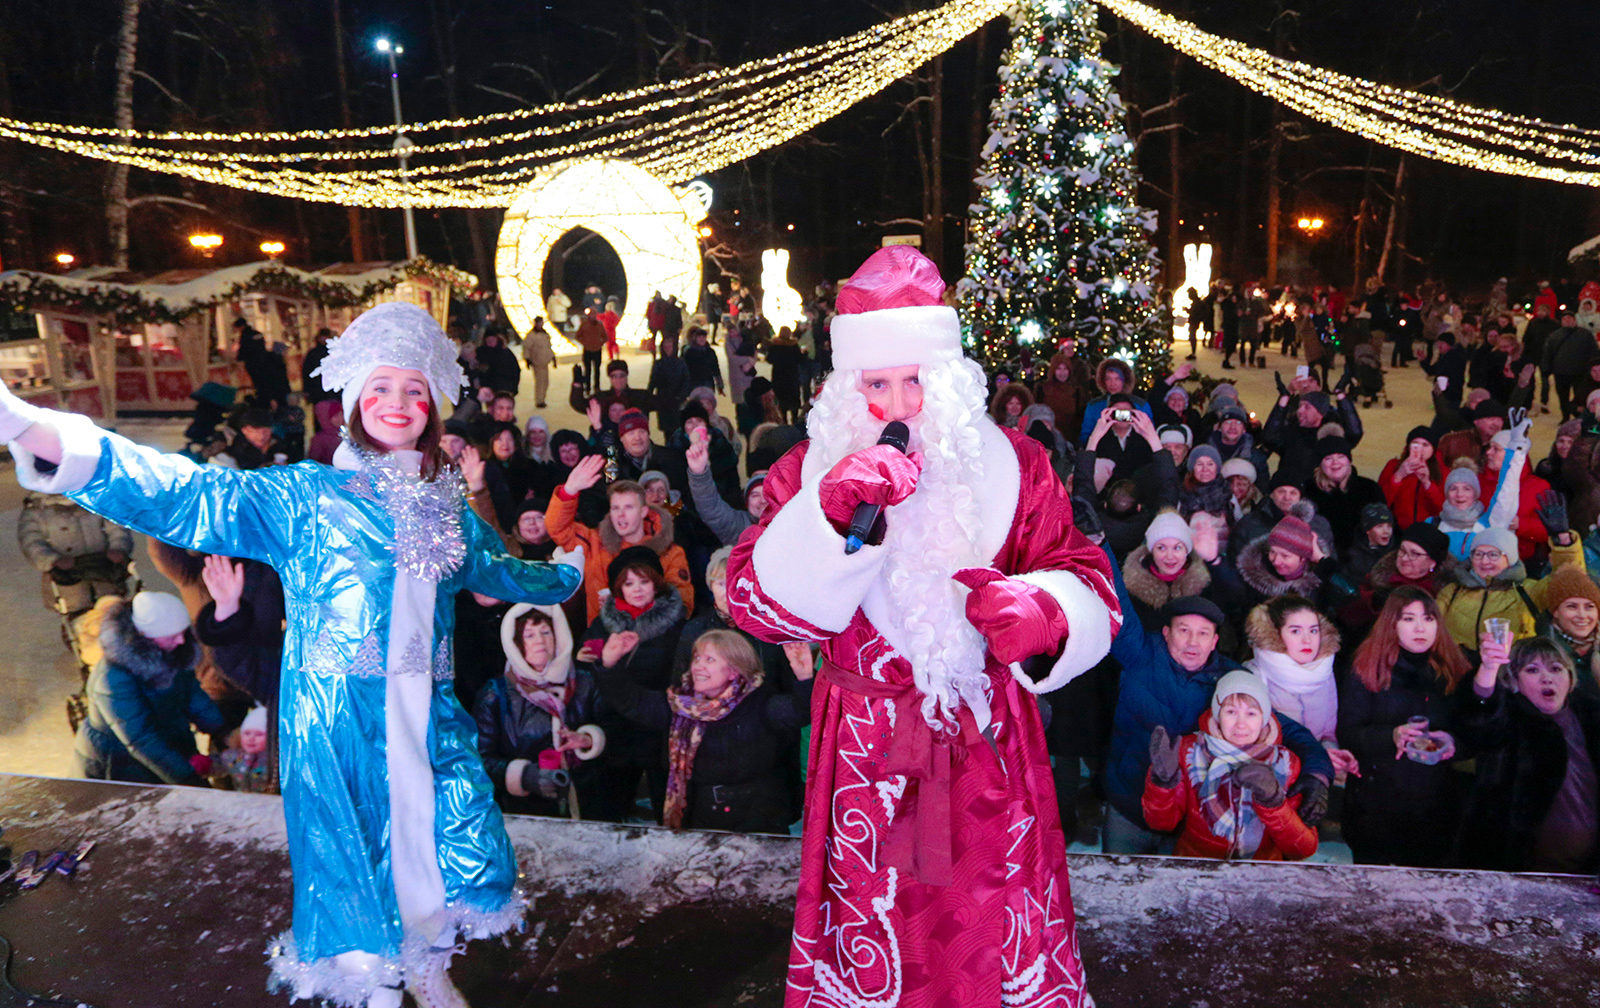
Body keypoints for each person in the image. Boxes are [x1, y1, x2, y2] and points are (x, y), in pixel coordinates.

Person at [0, 301, 582, 1008]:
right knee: (352, 851)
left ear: (432, 404)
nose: (396, 403)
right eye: (379, 387)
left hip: (426, 707)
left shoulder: (446, 506)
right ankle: (375, 984)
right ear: (354, 400)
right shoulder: (308, 494)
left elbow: (496, 568)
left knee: (452, 840)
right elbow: (189, 495)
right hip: (335, 712)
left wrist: (566, 574)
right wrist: (49, 436)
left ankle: (428, 958)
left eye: (412, 389)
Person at [728, 247, 1119, 1007]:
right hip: (864, 755)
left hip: (987, 749)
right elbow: (751, 603)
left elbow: (1088, 579)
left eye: (917, 381)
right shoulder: (804, 473)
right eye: (878, 384)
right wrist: (829, 516)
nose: (901, 405)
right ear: (850, 388)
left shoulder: (1019, 466)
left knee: (990, 926)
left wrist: (1045, 610)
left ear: (947, 382)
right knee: (873, 923)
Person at [592, 628, 812, 833]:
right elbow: (633, 703)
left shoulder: (761, 703)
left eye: (709, 659)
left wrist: (804, 678)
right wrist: (610, 665)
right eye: (697, 659)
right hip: (704, 813)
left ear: (734, 671)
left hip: (760, 815)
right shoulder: (682, 705)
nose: (698, 666)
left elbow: (802, 711)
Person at [1338, 587, 1472, 867]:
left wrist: (1453, 744)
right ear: (1392, 624)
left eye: (1429, 618)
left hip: (1434, 804)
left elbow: (1475, 732)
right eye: (1409, 619)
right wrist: (1391, 736)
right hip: (1376, 803)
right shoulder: (1366, 666)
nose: (1420, 628)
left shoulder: (1455, 666)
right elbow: (1348, 734)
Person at [1455, 635, 1600, 873]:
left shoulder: (1592, 717)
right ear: (1514, 681)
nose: (1547, 678)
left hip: (1587, 877)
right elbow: (1478, 718)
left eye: (1556, 669)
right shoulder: (1508, 718)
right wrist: (1489, 669)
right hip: (1517, 871)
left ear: (1571, 677)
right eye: (1532, 670)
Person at [1142, 670, 1320, 861]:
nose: (1240, 724)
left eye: (1251, 713)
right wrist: (1163, 783)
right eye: (1231, 712)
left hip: (1260, 873)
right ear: (1218, 715)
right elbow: (1161, 823)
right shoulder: (1188, 752)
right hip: (1198, 866)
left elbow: (1303, 849)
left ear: (1264, 718)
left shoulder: (1286, 764)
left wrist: (1273, 802)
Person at [575, 547, 689, 823]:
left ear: (656, 584)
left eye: (643, 581)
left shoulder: (678, 625)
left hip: (660, 727)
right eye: (629, 583)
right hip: (615, 728)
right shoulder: (603, 623)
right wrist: (586, 657)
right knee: (611, 811)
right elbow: (586, 664)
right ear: (618, 588)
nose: (637, 589)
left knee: (667, 811)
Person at [74, 591, 224, 785]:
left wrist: (223, 731)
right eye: (172, 635)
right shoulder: (113, 678)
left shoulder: (173, 651)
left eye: (183, 632)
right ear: (145, 635)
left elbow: (192, 695)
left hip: (166, 750)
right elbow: (141, 739)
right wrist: (189, 780)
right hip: (120, 764)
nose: (181, 641)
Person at [473, 603, 604, 818]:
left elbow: (615, 731)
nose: (540, 641)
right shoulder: (496, 694)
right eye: (529, 635)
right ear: (516, 644)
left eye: (546, 632)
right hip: (525, 814)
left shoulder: (585, 682)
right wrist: (525, 776)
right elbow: (480, 758)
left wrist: (589, 740)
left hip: (588, 806)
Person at [546, 459, 695, 622]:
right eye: (615, 508)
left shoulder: (670, 552)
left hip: (655, 639)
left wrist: (626, 606)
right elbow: (558, 529)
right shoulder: (595, 542)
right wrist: (569, 491)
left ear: (644, 511)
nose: (620, 515)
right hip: (603, 638)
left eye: (628, 507)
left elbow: (682, 605)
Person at [521, 315, 554, 408]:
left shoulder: (544, 334)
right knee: (540, 382)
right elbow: (526, 348)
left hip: (545, 361)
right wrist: (527, 359)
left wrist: (552, 357)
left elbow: (548, 347)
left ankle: (542, 398)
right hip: (537, 361)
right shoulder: (531, 335)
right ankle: (539, 400)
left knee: (546, 381)